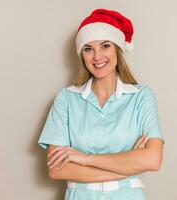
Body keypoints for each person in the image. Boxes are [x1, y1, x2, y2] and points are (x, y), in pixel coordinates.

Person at [38, 8, 165, 200]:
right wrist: (128, 165)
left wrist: (85, 159)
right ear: (82, 54)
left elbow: (153, 160)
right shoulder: (66, 99)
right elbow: (57, 170)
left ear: (117, 48)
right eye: (88, 48)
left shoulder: (141, 97)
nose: (97, 57)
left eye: (105, 46)